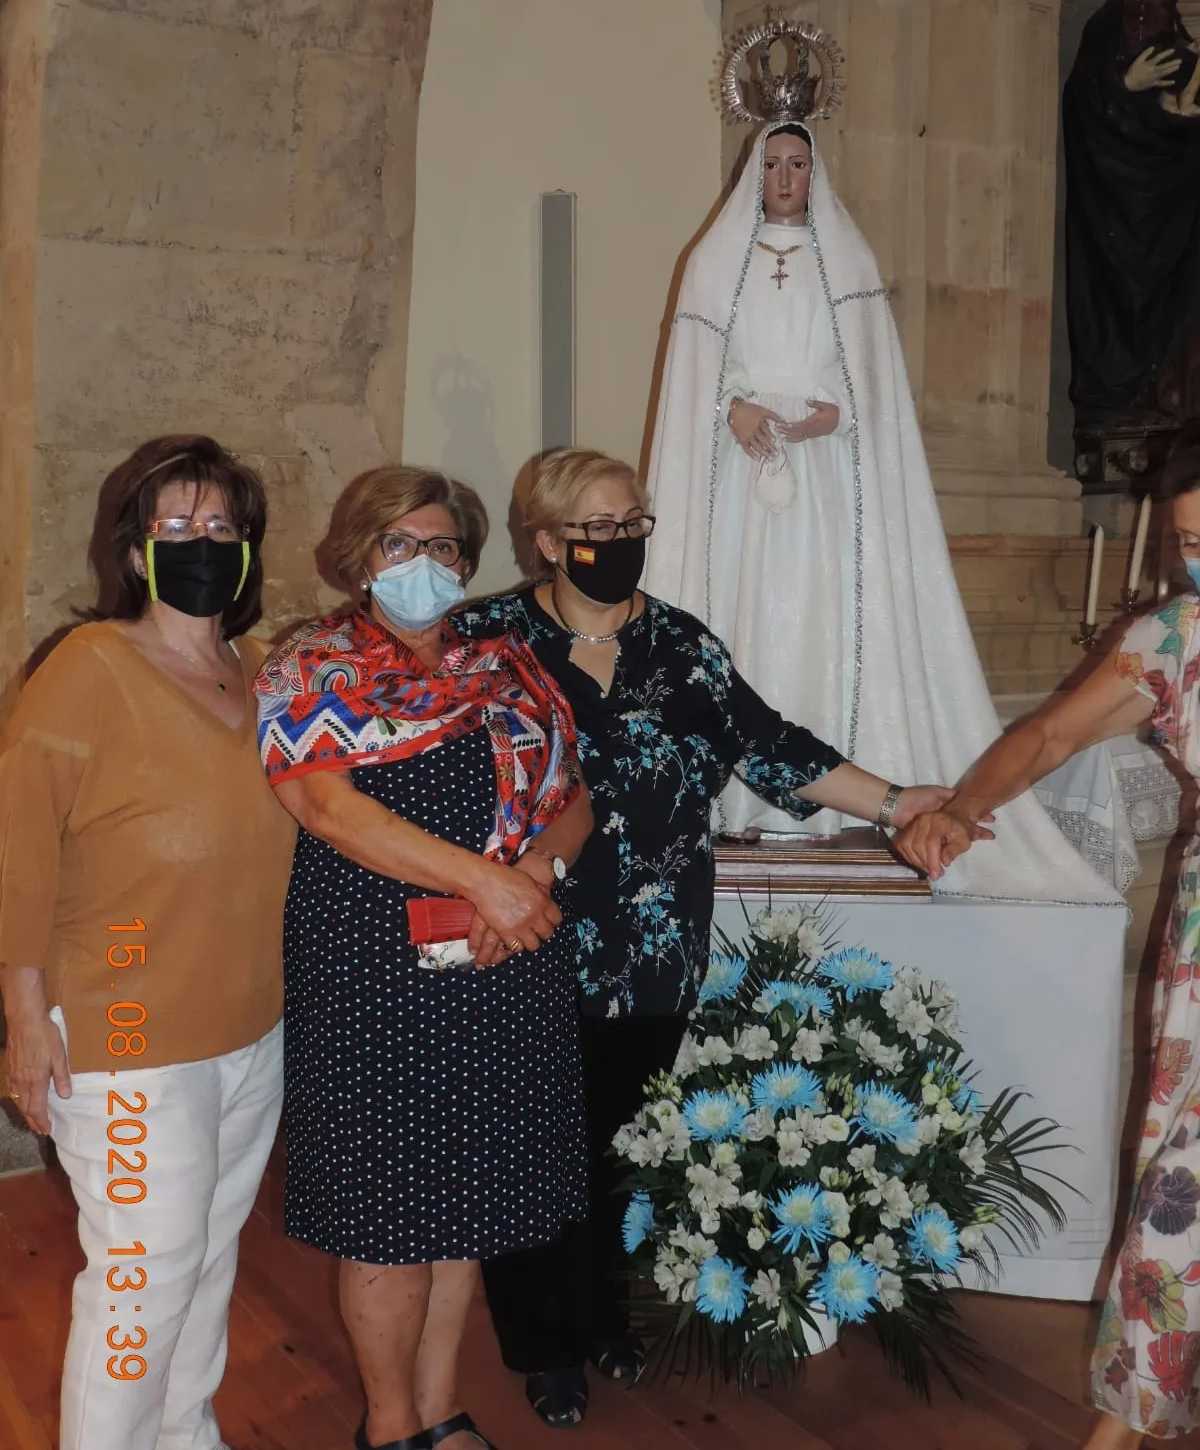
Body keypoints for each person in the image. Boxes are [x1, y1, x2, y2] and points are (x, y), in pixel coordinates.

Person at [453, 445, 956, 1429]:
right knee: (533, 1144)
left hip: (656, 943)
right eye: (597, 528)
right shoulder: (488, 639)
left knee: (616, 1139)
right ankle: (544, 1346)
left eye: (632, 523)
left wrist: (899, 802)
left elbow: (773, 746)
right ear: (546, 540)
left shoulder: (682, 646)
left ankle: (604, 1312)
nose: (620, 542)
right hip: (529, 929)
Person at [642, 16, 1116, 903]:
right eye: (773, 165)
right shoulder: (711, 265)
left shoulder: (849, 260)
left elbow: (869, 385)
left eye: (799, 164)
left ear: (816, 172)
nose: (787, 179)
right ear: (753, 174)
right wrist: (734, 407)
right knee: (740, 613)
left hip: (822, 485)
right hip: (739, 485)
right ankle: (736, 795)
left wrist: (829, 412)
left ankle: (829, 801)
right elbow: (698, 374)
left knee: (820, 613)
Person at [253, 466, 593, 1450]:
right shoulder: (312, 666)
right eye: (399, 543)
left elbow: (572, 797)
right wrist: (485, 884)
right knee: (386, 1217)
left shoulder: (507, 665)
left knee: (466, 1207)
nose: (423, 562)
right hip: (371, 976)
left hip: (499, 961)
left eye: (442, 546)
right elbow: (327, 808)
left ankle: (440, 1408)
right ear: (359, 558)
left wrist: (532, 874)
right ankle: (391, 1424)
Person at [896, 421, 1200, 1448]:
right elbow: (1048, 734)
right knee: (1185, 1173)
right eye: (1187, 544)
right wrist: (960, 807)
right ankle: (1127, 1420)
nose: (1197, 562)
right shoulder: (1175, 635)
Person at [0, 434, 296, 1450]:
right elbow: (18, 850)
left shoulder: (262, 670)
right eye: (176, 524)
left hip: (249, 1028)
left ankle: (185, 1436)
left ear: (246, 548)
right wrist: (25, 1020)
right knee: (141, 1278)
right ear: (135, 551)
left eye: (221, 525)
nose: (201, 541)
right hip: (128, 1027)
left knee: (204, 1258)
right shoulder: (88, 666)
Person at [1063, 0, 1200, 440]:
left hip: (1174, 206)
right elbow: (1081, 106)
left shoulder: (1180, 39)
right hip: (1119, 209)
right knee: (1123, 302)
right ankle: (1122, 407)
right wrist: (1125, 84)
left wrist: (1183, 116)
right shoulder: (1105, 29)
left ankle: (1169, 400)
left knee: (1180, 301)